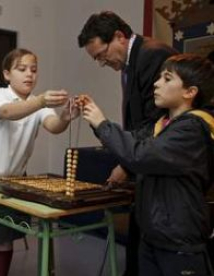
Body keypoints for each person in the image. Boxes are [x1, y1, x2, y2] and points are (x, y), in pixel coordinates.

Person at [79, 53, 214, 276]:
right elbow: (130, 140)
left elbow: (140, 155)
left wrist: (101, 123)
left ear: (190, 92)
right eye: (159, 77)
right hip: (152, 236)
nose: (157, 83)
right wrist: (96, 121)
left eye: (167, 79)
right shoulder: (163, 124)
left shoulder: (192, 130)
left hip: (178, 242)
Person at [0, 48, 79, 276]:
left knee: (3, 237)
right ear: (7, 74)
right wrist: (40, 101)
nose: (29, 74)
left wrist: (66, 117)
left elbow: (54, 127)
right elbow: (8, 112)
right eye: (22, 69)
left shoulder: (39, 105)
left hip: (10, 180)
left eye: (33, 70)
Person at [77, 11, 178, 275]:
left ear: (119, 37)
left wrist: (126, 163)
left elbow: (157, 123)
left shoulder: (152, 55)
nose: (101, 62)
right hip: (142, 161)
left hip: (160, 169)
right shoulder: (132, 61)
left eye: (101, 55)